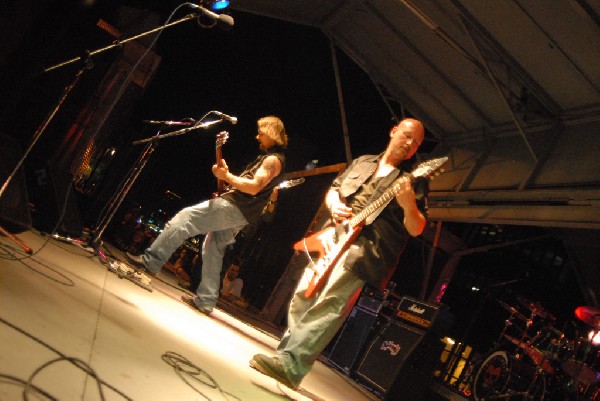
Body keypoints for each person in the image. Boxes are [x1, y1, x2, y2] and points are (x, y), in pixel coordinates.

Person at [249, 118, 428, 389]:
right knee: (302, 296)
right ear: (393, 131)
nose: (409, 144)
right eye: (406, 136)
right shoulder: (364, 161)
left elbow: (417, 228)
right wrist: (334, 207)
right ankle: (285, 356)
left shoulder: (412, 182)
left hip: (366, 251)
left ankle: (291, 366)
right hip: (332, 237)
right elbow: (334, 190)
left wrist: (408, 205)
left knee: (329, 304)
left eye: (416, 143)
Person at [127, 116, 288, 315]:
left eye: (261, 133)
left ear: (272, 134)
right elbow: (250, 184)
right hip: (241, 213)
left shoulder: (272, 160)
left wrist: (226, 177)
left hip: (234, 207)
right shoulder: (270, 159)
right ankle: (206, 300)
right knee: (213, 248)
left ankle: (152, 261)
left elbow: (254, 187)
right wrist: (228, 176)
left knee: (186, 218)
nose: (257, 137)